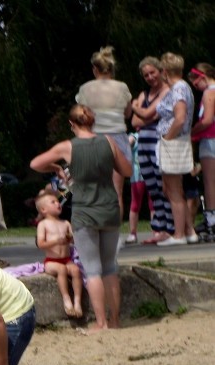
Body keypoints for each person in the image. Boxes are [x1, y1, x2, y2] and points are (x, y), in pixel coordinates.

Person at [30, 104, 132, 331]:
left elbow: (35, 163)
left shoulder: (67, 146)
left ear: (71, 124)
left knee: (93, 269)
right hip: (110, 208)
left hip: (85, 211)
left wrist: (56, 166)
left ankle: (101, 322)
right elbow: (127, 171)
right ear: (92, 122)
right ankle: (115, 320)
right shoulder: (108, 142)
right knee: (110, 268)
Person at [76, 46, 133, 214]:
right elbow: (128, 113)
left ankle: (97, 231)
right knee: (116, 191)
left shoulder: (85, 89)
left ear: (95, 69)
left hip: (94, 139)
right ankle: (115, 237)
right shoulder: (122, 87)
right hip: (117, 138)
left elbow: (81, 116)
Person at [153, 52, 196, 246]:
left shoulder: (178, 89)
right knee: (173, 188)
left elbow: (180, 117)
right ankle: (189, 230)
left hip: (174, 142)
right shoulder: (183, 87)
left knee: (173, 190)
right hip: (178, 141)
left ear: (165, 71)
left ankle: (179, 234)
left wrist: (167, 139)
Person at [131, 56, 173, 244]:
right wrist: (146, 116)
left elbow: (146, 114)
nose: (149, 77)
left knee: (163, 186)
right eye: (146, 75)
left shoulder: (166, 91)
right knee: (152, 188)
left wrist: (136, 108)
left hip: (158, 143)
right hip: (143, 146)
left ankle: (169, 227)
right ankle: (158, 227)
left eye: (152, 72)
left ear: (160, 71)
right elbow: (134, 121)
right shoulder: (144, 94)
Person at [35, 189, 83, 319]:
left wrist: (70, 239)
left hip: (66, 259)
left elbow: (73, 240)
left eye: (57, 201)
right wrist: (56, 241)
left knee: (76, 271)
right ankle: (66, 298)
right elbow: (40, 244)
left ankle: (77, 301)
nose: (58, 203)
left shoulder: (65, 223)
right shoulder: (43, 224)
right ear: (44, 209)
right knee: (61, 270)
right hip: (51, 261)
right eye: (53, 202)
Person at [189, 64, 215, 230]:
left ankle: (211, 218)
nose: (195, 86)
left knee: (209, 181)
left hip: (210, 140)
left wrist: (191, 132)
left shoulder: (209, 92)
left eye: (196, 82)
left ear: (203, 76)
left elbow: (207, 120)